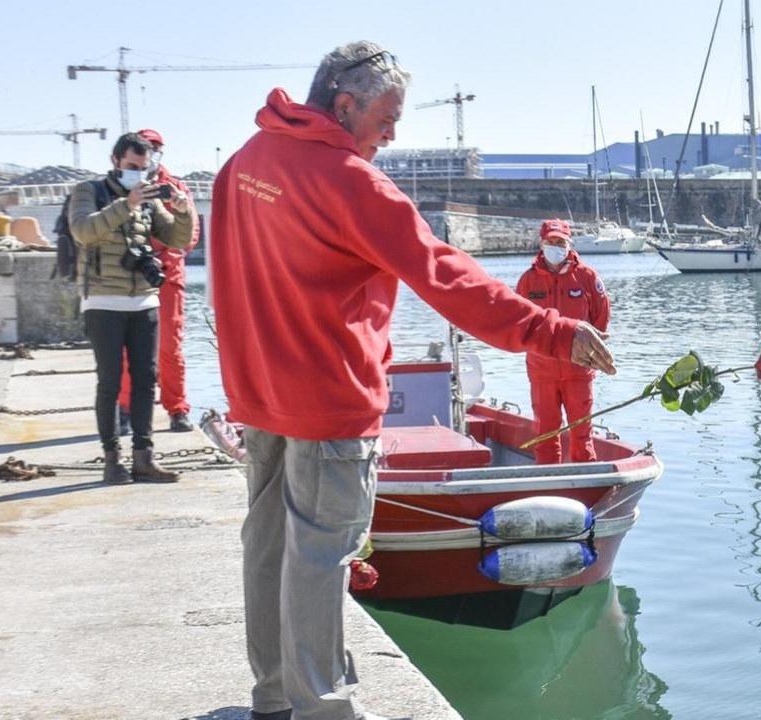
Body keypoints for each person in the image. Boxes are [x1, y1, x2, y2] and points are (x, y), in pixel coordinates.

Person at [210, 41, 613, 720]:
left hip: (260, 393)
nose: (394, 134)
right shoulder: (351, 182)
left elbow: (222, 278)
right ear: (346, 105)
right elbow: (444, 274)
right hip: (329, 400)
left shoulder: (243, 165)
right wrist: (554, 331)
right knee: (320, 555)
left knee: (268, 545)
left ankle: (274, 700)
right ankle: (326, 708)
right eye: (388, 118)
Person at [69, 132, 193, 484]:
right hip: (103, 301)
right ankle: (112, 460)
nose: (138, 173)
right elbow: (82, 231)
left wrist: (182, 212)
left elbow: (178, 239)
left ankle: (144, 458)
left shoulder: (151, 197)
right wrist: (127, 203)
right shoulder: (88, 191)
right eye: (131, 167)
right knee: (109, 382)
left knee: (145, 381)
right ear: (115, 161)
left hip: (144, 301)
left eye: (143, 167)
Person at [117, 128, 201, 434]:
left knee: (170, 346)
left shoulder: (175, 188)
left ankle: (177, 409)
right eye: (144, 147)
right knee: (127, 347)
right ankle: (124, 408)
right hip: (130, 278)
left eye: (153, 148)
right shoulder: (120, 186)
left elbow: (189, 235)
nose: (148, 153)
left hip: (168, 277)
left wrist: (162, 254)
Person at [516, 219, 611, 464]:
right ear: (542, 243)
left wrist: (592, 351)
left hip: (578, 370)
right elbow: (518, 319)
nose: (555, 246)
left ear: (569, 244)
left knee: (582, 434)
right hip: (541, 371)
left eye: (560, 242)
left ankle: (585, 483)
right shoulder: (528, 281)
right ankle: (548, 481)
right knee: (545, 435)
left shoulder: (587, 277)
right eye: (551, 242)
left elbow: (601, 316)